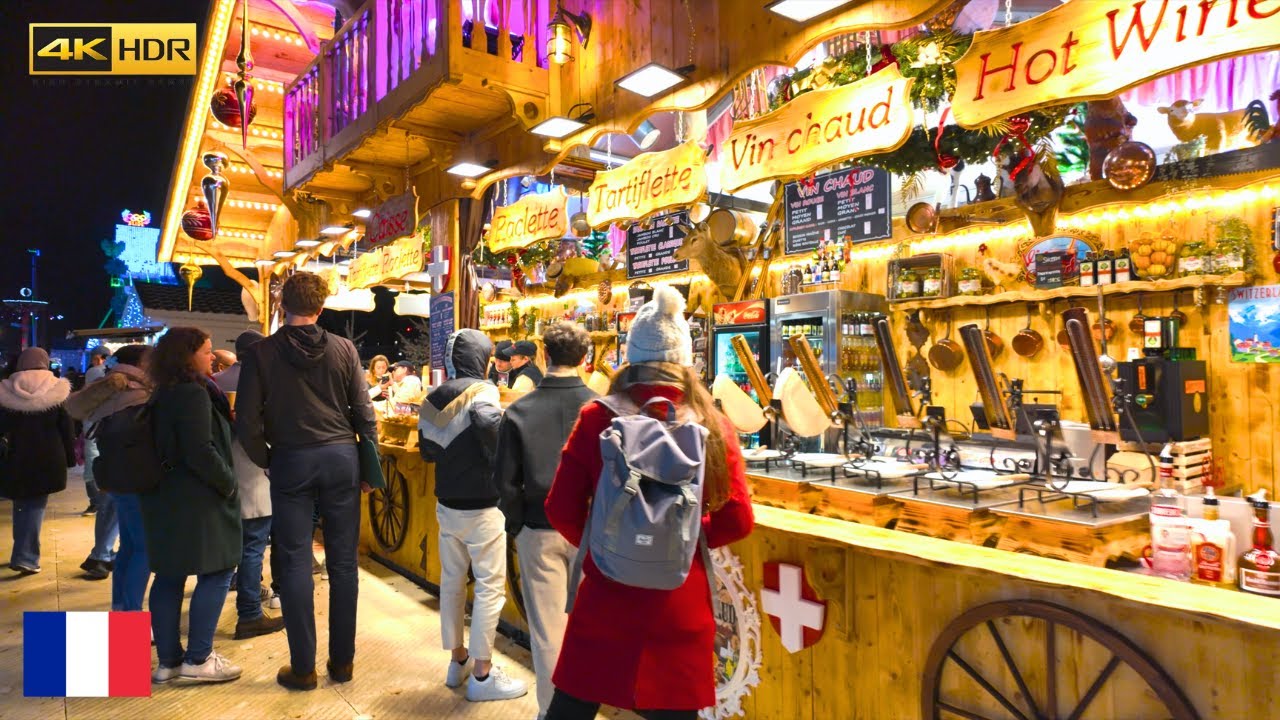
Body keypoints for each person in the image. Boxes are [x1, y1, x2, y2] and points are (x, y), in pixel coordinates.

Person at [543, 285, 754, 720]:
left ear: (630, 357)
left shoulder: (597, 417)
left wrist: (612, 540)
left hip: (606, 595)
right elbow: (738, 519)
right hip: (679, 598)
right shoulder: (714, 424)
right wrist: (684, 538)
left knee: (572, 707)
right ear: (686, 361)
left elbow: (560, 508)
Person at [236, 271, 377, 690]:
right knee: (343, 562)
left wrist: (268, 460)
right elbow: (364, 412)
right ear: (321, 306)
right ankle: (343, 663)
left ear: (282, 306)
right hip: (341, 458)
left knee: (295, 559)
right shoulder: (344, 348)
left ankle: (303, 669)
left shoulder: (261, 353)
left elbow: (247, 421)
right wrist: (369, 467)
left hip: (291, 459)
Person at [494, 322, 597, 718]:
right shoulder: (601, 408)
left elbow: (504, 481)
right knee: (588, 629)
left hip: (538, 527)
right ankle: (584, 710)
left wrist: (517, 524)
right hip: (592, 532)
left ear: (544, 355)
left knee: (548, 631)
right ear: (584, 358)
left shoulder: (519, 410)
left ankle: (553, 713)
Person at [418, 328, 527, 703]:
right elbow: (489, 425)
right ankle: (482, 674)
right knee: (489, 588)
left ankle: (457, 661)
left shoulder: (434, 396)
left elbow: (427, 451)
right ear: (481, 357)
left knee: (451, 583)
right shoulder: (484, 391)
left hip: (447, 503)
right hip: (482, 506)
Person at [143, 327, 243, 684]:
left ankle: (169, 661)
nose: (212, 356)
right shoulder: (193, 393)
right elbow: (200, 450)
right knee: (218, 570)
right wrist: (229, 483)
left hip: (166, 497)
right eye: (205, 350)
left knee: (169, 575)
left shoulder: (162, 391)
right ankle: (199, 659)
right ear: (186, 357)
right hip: (198, 498)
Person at [214, 330, 286, 640]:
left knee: (232, 550)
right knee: (253, 548)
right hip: (256, 475)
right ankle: (249, 613)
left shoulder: (215, 382)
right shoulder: (267, 382)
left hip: (222, 475)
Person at [66, 345, 153, 591]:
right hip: (134, 471)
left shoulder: (109, 383)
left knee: (124, 535)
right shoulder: (137, 391)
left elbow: (78, 409)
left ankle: (103, 560)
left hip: (110, 465)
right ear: (141, 363)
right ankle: (127, 607)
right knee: (141, 547)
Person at [0, 347, 76, 575]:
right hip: (48, 457)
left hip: (14, 456)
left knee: (22, 503)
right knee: (34, 505)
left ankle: (21, 552)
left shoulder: (5, 389)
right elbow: (67, 429)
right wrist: (70, 458)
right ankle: (26, 557)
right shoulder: (58, 389)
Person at [80, 344, 112, 516]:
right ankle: (102, 502)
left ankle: (96, 502)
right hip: (105, 424)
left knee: (92, 462)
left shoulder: (94, 372)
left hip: (92, 423)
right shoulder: (109, 373)